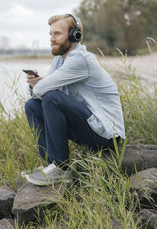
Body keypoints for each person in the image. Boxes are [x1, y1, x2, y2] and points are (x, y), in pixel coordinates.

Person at [23, 14, 125, 186]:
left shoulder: (80, 60)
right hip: (90, 126)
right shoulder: (60, 60)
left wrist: (38, 86)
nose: (51, 39)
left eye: (57, 34)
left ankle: (61, 168)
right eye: (50, 34)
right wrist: (35, 85)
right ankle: (51, 165)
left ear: (74, 36)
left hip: (107, 134)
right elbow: (40, 92)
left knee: (52, 98)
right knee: (32, 105)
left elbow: (45, 91)